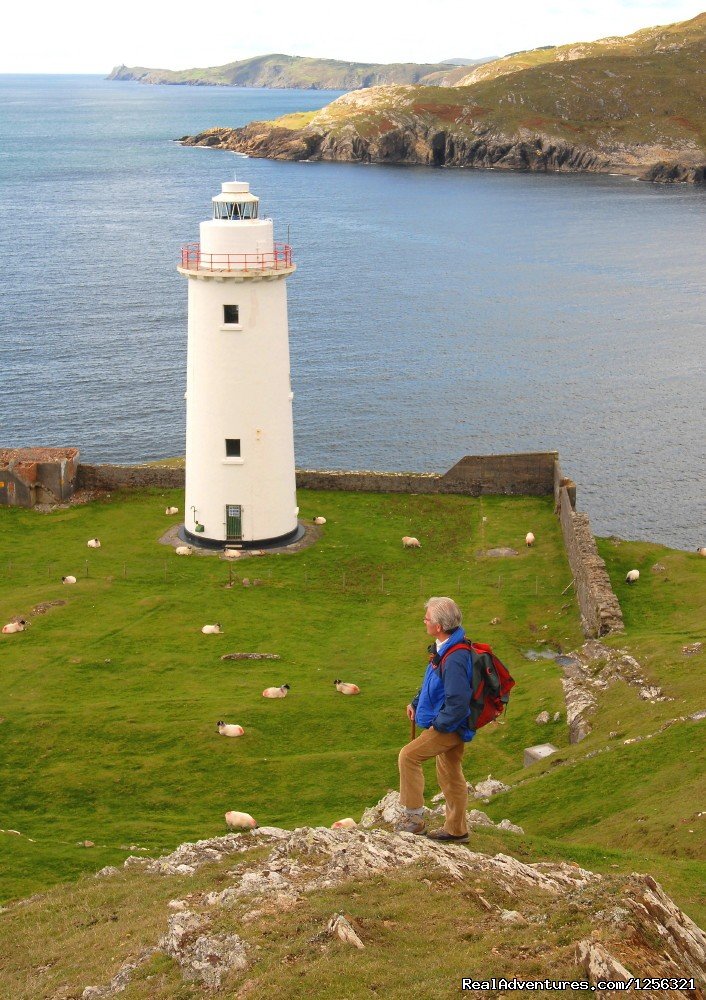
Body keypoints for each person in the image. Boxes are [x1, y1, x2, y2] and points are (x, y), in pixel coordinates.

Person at [396, 596, 475, 842]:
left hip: (450, 725)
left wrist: (437, 725)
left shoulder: (455, 657)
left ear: (438, 626)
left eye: (427, 618)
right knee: (450, 773)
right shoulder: (445, 648)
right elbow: (432, 682)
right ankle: (457, 830)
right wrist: (416, 704)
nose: (424, 621)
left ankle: (414, 819)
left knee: (408, 756)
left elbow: (458, 702)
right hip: (451, 722)